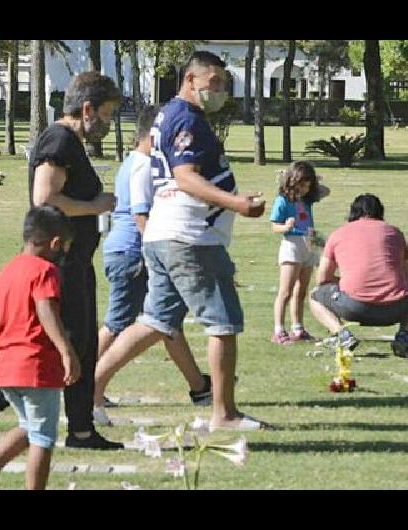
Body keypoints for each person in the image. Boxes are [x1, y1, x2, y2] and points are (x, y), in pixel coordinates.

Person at [93, 51, 268, 431]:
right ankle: (224, 415)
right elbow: (186, 177)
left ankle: (87, 390)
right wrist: (236, 204)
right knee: (223, 323)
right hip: (190, 238)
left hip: (165, 233)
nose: (219, 90)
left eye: (224, 83)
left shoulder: (169, 116)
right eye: (214, 82)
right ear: (191, 80)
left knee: (155, 321)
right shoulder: (186, 117)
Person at [0, 71, 123, 450]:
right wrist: (94, 206)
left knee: (81, 342)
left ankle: (82, 430)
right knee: (65, 343)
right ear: (86, 108)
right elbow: (45, 197)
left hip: (76, 259)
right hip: (61, 261)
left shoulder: (71, 141)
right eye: (105, 113)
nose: (107, 123)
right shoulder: (59, 140)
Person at [93, 106, 211, 424]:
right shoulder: (143, 165)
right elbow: (140, 215)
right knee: (119, 324)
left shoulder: (135, 162)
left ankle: (200, 387)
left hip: (130, 252)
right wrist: (159, 255)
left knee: (164, 320)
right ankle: (84, 387)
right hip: (134, 253)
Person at [0, 206, 80, 490]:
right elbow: (46, 309)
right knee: (43, 436)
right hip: (37, 365)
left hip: (7, 365)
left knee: (29, 425)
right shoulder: (46, 270)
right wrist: (67, 351)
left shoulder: (9, 269)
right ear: (55, 243)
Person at [309, 193, 408, 358]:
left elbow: (322, 279)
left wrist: (346, 282)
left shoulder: (339, 234)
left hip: (355, 306)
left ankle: (341, 334)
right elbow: (407, 277)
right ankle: (404, 334)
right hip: (396, 307)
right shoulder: (395, 232)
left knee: (315, 295)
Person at [269, 161, 329, 344]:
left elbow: (326, 191)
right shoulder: (283, 200)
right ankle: (279, 329)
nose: (304, 189)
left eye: (307, 186)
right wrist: (285, 226)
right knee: (285, 291)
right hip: (292, 245)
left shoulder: (308, 199)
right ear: (292, 181)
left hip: (309, 242)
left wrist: (315, 183)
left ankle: (298, 328)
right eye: (301, 185)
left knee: (301, 290)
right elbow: (274, 226)